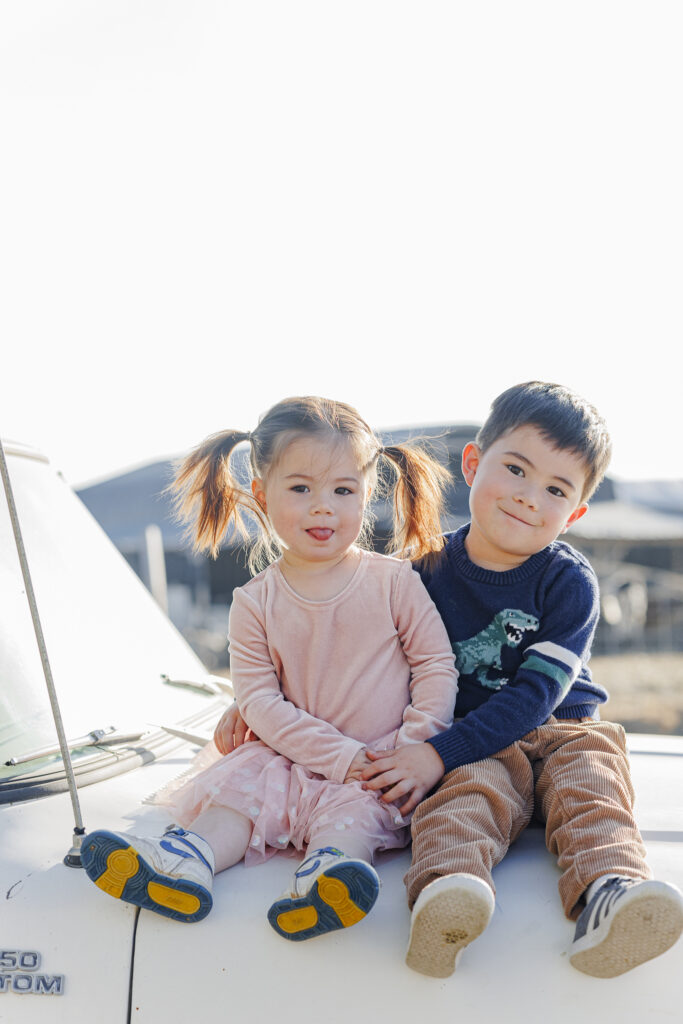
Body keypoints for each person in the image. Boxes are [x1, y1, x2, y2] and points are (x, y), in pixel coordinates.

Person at [80, 396, 458, 942]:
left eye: (343, 491)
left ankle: (328, 881)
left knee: (349, 823)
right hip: (289, 755)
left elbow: (435, 665)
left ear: (366, 494)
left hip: (380, 761)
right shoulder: (254, 601)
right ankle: (187, 862)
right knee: (238, 792)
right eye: (300, 488)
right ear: (262, 494)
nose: (322, 507)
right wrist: (338, 756)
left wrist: (414, 748)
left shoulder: (393, 581)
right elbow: (259, 701)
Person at [358, 381, 683, 979]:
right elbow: (367, 661)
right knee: (462, 796)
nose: (530, 497)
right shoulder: (419, 570)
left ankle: (608, 896)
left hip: (560, 727)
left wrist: (436, 752)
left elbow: (538, 695)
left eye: (556, 489)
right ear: (474, 463)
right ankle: (448, 896)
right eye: (516, 469)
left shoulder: (569, 583)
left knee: (592, 781)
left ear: (576, 511)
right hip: (472, 742)